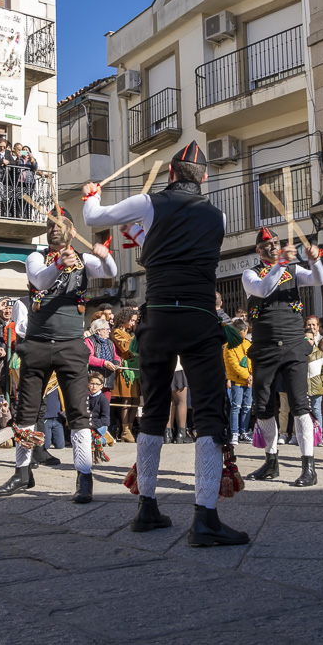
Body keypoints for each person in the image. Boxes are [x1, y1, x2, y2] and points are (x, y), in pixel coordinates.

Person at [83, 141, 249, 546]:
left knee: (153, 408)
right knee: (209, 411)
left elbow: (93, 218)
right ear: (204, 178)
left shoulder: (148, 201)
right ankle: (206, 517)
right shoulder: (219, 215)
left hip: (156, 317)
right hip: (197, 318)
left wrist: (92, 194)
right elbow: (183, 250)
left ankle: (147, 507)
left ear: (171, 173)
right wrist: (145, 232)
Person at [0, 206, 116, 504]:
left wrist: (104, 254)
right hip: (36, 344)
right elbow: (41, 280)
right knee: (25, 412)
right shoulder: (36, 257)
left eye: (60, 224)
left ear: (72, 231)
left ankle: (84, 477)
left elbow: (110, 272)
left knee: (78, 413)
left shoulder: (84, 260)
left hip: (71, 345)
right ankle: (23, 473)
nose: (54, 228)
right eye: (50, 224)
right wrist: (59, 262)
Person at [243, 226, 323, 488]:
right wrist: (280, 264)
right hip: (265, 348)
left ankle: (308, 467)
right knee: (264, 407)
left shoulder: (293, 270)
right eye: (268, 245)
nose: (274, 246)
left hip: (293, 346)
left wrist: (315, 260)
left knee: (300, 405)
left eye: (276, 243)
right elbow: (265, 289)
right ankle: (271, 462)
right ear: (259, 251)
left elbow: (319, 279)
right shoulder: (249, 274)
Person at [111, 307, 140, 442]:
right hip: (125, 370)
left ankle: (130, 427)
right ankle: (125, 430)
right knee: (126, 400)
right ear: (125, 319)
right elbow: (126, 348)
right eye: (132, 320)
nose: (133, 324)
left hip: (134, 369)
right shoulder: (117, 332)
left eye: (135, 321)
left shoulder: (129, 334)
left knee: (135, 400)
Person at [224, 318, 252, 446]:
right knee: (236, 406)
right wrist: (247, 376)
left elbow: (253, 360)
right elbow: (233, 364)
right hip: (237, 380)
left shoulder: (248, 344)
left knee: (247, 406)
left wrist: (251, 375)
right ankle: (234, 432)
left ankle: (244, 431)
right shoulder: (229, 345)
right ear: (241, 331)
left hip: (249, 381)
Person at [85, 318, 121, 395]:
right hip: (93, 380)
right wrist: (104, 363)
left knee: (105, 404)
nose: (110, 331)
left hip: (107, 381)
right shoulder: (89, 341)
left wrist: (116, 363)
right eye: (107, 329)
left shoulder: (110, 342)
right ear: (99, 331)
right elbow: (88, 357)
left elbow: (116, 357)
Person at [42, 376, 65, 451]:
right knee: (46, 446)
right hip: (46, 419)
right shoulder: (43, 384)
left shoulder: (58, 385)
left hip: (57, 418)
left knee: (60, 445)